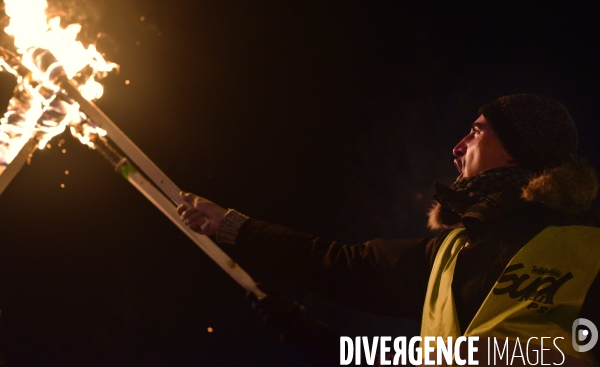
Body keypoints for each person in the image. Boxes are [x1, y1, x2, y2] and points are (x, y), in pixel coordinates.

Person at [177, 94, 600, 365]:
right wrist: (231, 226)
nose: (458, 147)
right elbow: (338, 265)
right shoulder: (447, 253)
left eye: (476, 131)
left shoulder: (589, 251)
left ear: (515, 149)